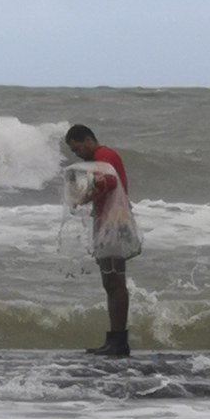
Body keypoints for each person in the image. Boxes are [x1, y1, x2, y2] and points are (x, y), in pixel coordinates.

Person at [64, 124, 138, 357]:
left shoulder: (104, 156)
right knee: (110, 283)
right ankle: (114, 339)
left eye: (77, 149)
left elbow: (110, 182)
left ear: (87, 140)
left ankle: (119, 341)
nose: (77, 155)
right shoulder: (102, 157)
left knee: (116, 283)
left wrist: (85, 193)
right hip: (110, 222)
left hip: (115, 223)